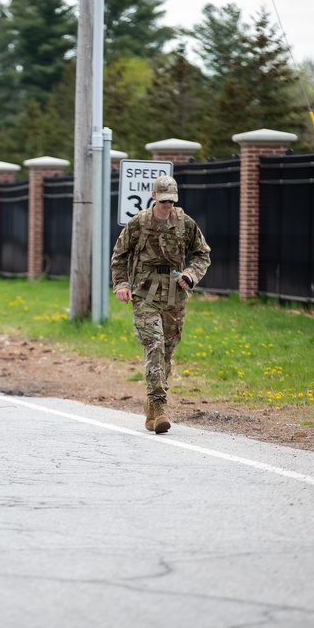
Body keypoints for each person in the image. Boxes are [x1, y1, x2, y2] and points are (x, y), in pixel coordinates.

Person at [110, 175, 211, 434]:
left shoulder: (186, 224)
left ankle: (151, 405)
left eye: (172, 201)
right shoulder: (138, 223)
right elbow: (119, 255)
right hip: (144, 294)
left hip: (174, 296)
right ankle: (160, 405)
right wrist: (121, 284)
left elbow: (202, 254)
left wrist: (191, 274)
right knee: (153, 345)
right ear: (154, 197)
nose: (168, 205)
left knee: (166, 352)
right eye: (164, 200)